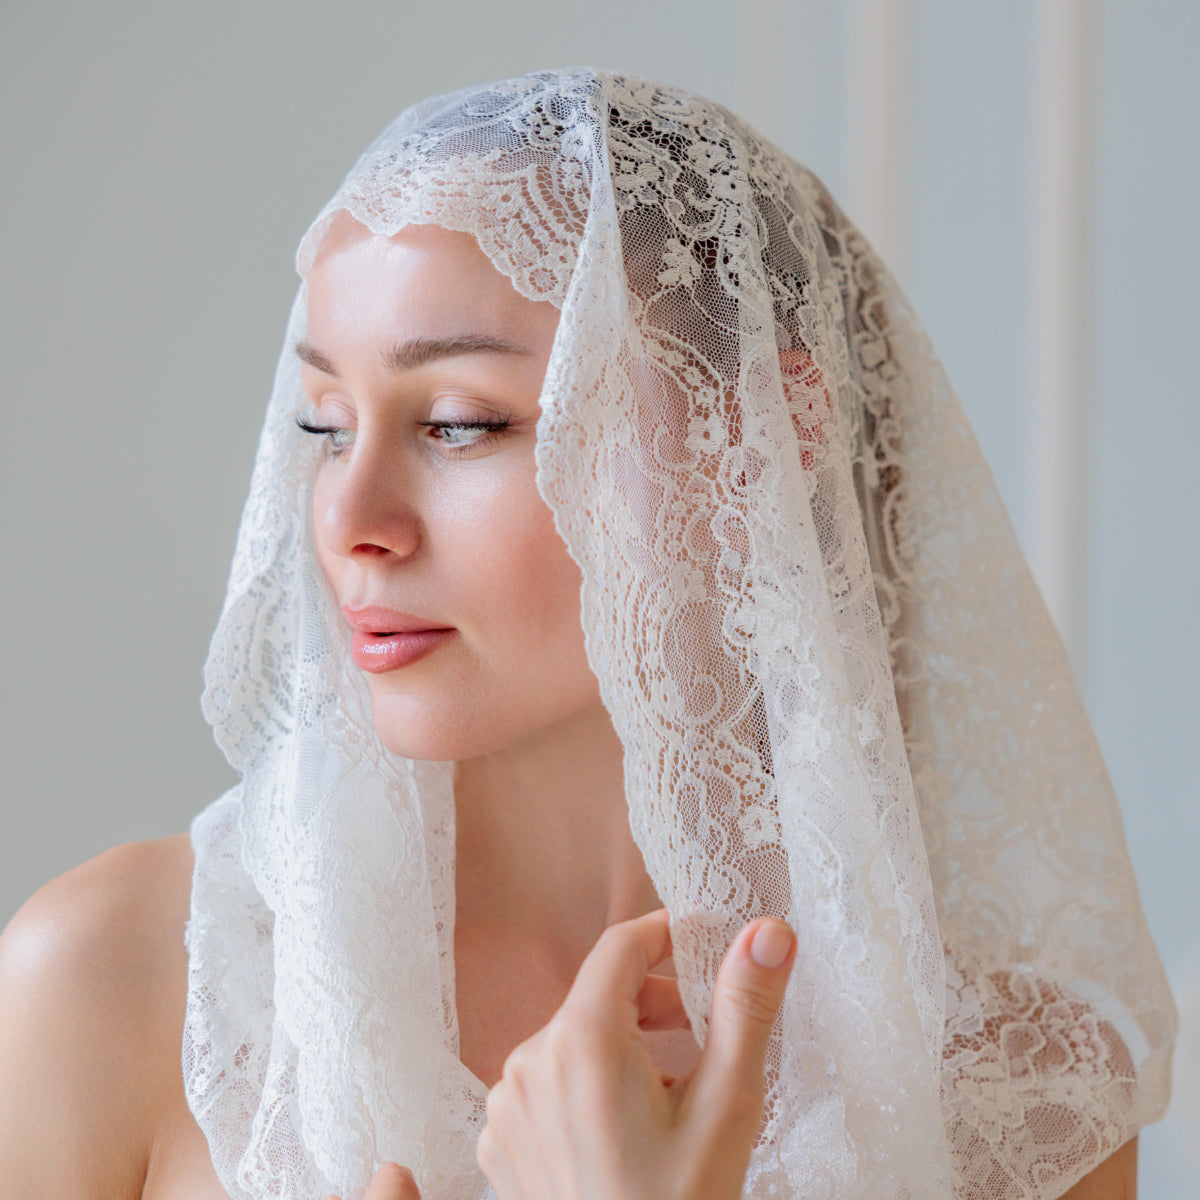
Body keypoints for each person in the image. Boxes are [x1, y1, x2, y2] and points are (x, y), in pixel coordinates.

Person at [0, 68, 1176, 1200]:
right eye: (324, 424)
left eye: (459, 422)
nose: (350, 521)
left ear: (750, 438)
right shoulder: (117, 984)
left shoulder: (1018, 1091)